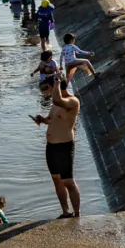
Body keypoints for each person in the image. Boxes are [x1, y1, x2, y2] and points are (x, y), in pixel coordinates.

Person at [32, 77, 82, 218]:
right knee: (56, 179)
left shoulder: (72, 101)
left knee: (68, 181)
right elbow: (51, 119)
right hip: (51, 147)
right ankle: (66, 211)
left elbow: (57, 100)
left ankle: (77, 214)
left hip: (65, 146)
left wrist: (57, 83)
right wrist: (42, 120)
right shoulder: (56, 103)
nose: (49, 91)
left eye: (50, 87)